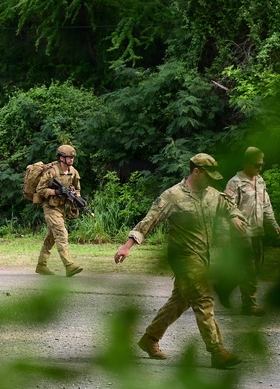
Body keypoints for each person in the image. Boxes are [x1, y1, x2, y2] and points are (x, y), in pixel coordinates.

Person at [114, 153, 247, 369]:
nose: (212, 180)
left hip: (203, 256)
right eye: (208, 175)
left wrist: (233, 216)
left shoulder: (212, 195)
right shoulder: (173, 196)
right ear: (196, 171)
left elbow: (229, 206)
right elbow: (150, 220)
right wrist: (128, 245)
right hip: (183, 258)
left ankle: (149, 339)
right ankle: (217, 351)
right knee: (203, 298)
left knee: (181, 300)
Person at [218, 147, 280, 316]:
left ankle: (224, 287)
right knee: (249, 269)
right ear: (246, 163)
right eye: (256, 165)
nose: (259, 168)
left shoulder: (260, 181)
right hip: (241, 231)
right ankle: (249, 305)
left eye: (262, 165)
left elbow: (266, 205)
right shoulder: (235, 182)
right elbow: (225, 206)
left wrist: (274, 225)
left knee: (256, 268)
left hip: (258, 230)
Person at [35, 144, 84, 277]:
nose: (71, 160)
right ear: (61, 158)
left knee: (50, 238)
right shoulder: (52, 172)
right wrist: (56, 191)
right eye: (69, 157)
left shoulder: (73, 172)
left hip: (61, 208)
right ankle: (69, 266)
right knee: (61, 234)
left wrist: (78, 199)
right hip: (50, 207)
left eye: (72, 157)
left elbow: (77, 188)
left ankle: (41, 265)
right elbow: (40, 189)